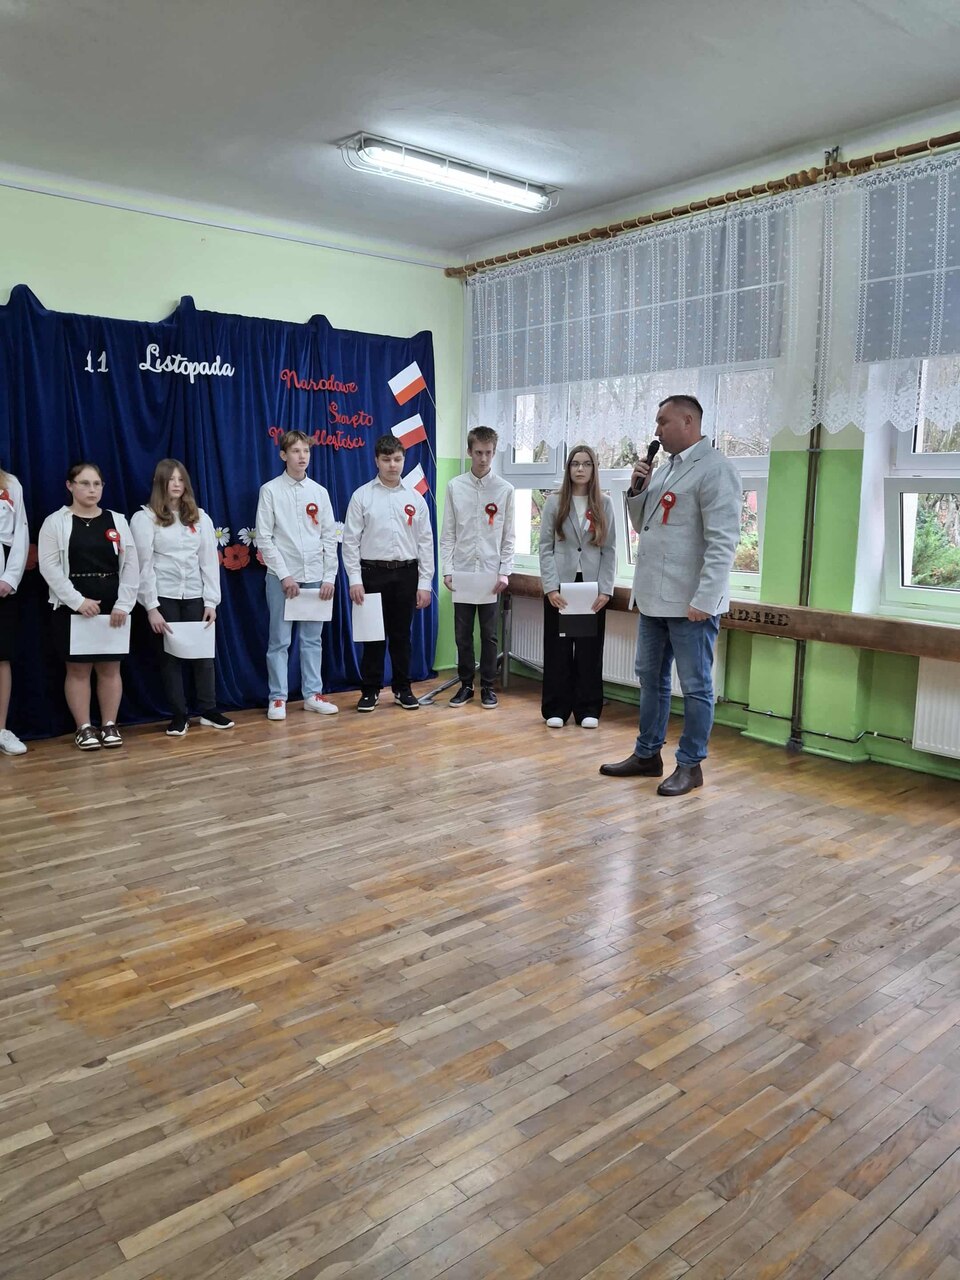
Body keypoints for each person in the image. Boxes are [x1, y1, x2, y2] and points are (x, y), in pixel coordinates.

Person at [600, 396, 741, 795]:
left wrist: (706, 598)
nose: (657, 431)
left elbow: (723, 542)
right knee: (650, 679)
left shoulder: (715, 469)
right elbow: (643, 524)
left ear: (688, 420)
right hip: (653, 598)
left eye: (663, 422)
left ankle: (691, 765)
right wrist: (637, 489)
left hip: (691, 602)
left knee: (695, 686)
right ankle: (647, 754)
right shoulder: (665, 469)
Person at [38, 462, 139, 750]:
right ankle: (84, 727)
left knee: (110, 668)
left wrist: (124, 604)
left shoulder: (117, 520)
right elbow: (49, 567)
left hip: (112, 606)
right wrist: (78, 601)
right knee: (78, 670)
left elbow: (132, 564)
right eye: (84, 483)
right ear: (70, 486)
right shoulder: (55, 522)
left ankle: (109, 724)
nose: (92, 489)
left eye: (97, 484)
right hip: (73, 605)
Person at [131, 459, 234, 737]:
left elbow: (208, 562)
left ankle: (208, 710)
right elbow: (143, 565)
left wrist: (211, 601)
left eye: (180, 479)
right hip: (164, 596)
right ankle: (179, 715)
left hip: (195, 596)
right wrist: (151, 606)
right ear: (160, 483)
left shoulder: (200, 517)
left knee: (203, 656)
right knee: (170, 658)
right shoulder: (145, 518)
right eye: (171, 479)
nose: (176, 484)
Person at [342, 434, 433, 712]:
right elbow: (350, 542)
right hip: (372, 574)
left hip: (406, 574)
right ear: (376, 461)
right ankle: (370, 690)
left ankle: (402, 689)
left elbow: (425, 542)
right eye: (386, 459)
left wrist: (425, 583)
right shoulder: (362, 496)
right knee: (373, 637)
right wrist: (355, 579)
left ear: (403, 460)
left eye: (397, 459)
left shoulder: (415, 498)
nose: (392, 465)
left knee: (401, 636)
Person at [255, 430, 339, 721]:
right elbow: (264, 538)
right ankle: (278, 697)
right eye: (295, 451)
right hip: (282, 577)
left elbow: (329, 536)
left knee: (313, 639)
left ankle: (312, 694)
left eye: (306, 451)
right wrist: (284, 575)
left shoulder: (319, 492)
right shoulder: (270, 490)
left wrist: (329, 577)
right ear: (283, 455)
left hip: (315, 574)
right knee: (279, 640)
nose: (302, 456)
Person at [539, 445, 616, 730]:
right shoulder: (554, 502)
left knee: (589, 649)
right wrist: (551, 587)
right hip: (561, 585)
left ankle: (587, 708)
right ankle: (556, 707)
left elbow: (610, 550)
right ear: (568, 468)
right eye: (575, 464)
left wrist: (605, 589)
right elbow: (545, 548)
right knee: (558, 648)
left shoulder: (604, 503)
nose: (580, 469)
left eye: (586, 464)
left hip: (591, 587)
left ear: (594, 469)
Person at [439, 425, 515, 709]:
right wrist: (447, 569)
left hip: (490, 574)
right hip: (462, 571)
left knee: (489, 634)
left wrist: (504, 571)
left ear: (494, 453)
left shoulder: (505, 490)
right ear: (469, 451)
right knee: (462, 635)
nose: (484, 458)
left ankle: (488, 687)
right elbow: (448, 533)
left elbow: (509, 535)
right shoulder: (455, 487)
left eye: (489, 453)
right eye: (479, 452)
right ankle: (465, 685)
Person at [0, 463, 29, 756]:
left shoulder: (10, 483)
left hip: (2, 584)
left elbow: (20, 532)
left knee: (1, 657)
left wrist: (9, 578)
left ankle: (1, 729)